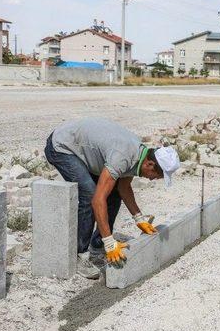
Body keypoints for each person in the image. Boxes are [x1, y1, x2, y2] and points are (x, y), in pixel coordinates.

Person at [44, 117, 180, 278]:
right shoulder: (123, 156)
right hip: (62, 146)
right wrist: (111, 242)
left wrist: (139, 218)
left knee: (114, 193)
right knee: (89, 194)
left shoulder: (138, 155)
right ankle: (79, 255)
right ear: (149, 164)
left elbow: (123, 187)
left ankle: (98, 243)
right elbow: (97, 200)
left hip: (82, 146)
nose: (153, 179)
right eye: (156, 176)